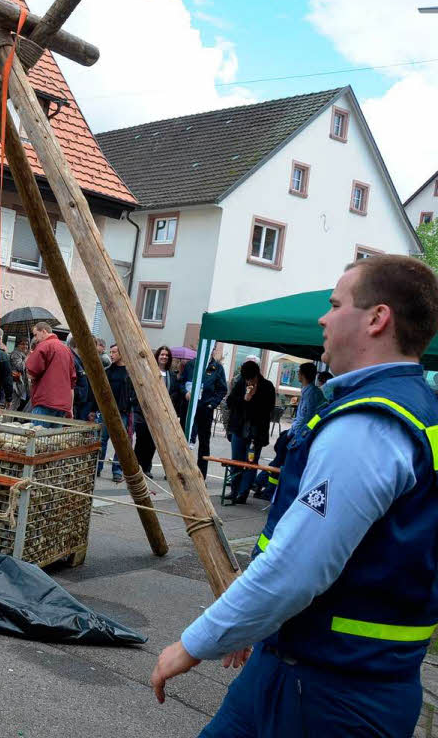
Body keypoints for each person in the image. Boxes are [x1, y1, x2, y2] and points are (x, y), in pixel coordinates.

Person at [151, 254, 438, 737]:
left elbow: (295, 569)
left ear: (376, 318)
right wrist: (255, 625)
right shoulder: (420, 411)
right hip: (322, 669)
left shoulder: (368, 426)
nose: (323, 317)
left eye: (335, 303)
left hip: (326, 691)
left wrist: (193, 644)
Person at [224, 360, 276, 504]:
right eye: (246, 379)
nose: (248, 381)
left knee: (251, 463)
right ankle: (234, 490)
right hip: (239, 429)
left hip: (255, 433)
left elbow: (267, 410)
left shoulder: (267, 387)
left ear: (257, 375)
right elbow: (230, 402)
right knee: (236, 461)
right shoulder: (241, 383)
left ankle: (243, 493)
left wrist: (253, 399)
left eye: (251, 379)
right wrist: (244, 399)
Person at [181, 346, 228, 479]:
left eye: (211, 349)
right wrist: (185, 393)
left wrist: (211, 404)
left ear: (213, 350)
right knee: (184, 439)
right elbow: (181, 383)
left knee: (204, 443)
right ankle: (181, 471)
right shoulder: (191, 364)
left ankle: (201, 475)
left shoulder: (217, 368)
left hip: (205, 410)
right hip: (189, 409)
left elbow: (222, 389)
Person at [134, 345, 182, 475]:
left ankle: (146, 468)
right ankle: (136, 469)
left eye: (166, 355)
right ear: (157, 356)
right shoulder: (148, 370)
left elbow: (175, 393)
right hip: (144, 414)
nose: (164, 357)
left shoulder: (171, 375)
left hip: (160, 416)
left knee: (152, 443)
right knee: (141, 442)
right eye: (162, 354)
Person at [25, 322, 76, 426]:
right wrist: (70, 408)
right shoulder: (67, 350)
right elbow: (72, 383)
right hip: (62, 405)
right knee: (52, 441)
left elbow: (31, 374)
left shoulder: (43, 346)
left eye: (35, 335)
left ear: (44, 331)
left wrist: (28, 359)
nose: (35, 339)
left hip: (45, 401)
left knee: (37, 439)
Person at [99, 343, 133, 482]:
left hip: (122, 412)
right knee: (102, 441)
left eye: (114, 352)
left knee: (120, 443)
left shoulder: (130, 372)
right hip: (107, 412)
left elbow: (134, 392)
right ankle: (98, 467)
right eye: (111, 352)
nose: (111, 355)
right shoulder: (108, 370)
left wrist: (130, 403)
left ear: (122, 353)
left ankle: (117, 470)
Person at [290, 361, 326, 436]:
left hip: (302, 433)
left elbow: (307, 418)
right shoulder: (308, 391)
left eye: (298, 372)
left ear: (302, 375)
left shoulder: (312, 393)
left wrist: (292, 433)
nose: (297, 374)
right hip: (300, 430)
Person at [66, 334, 96, 423]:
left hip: (81, 403)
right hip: (75, 403)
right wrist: (78, 394)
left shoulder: (79, 360)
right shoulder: (73, 359)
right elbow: (70, 383)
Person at [8, 336, 30, 411]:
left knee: (16, 406)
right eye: (22, 344)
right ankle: (7, 422)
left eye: (26, 344)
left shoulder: (23, 354)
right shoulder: (15, 354)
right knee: (12, 406)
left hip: (21, 386)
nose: (25, 346)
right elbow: (20, 367)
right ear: (18, 345)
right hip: (15, 386)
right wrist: (27, 358)